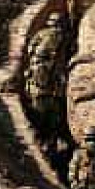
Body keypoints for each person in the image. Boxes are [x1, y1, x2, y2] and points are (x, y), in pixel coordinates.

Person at [24, 12, 69, 156]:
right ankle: (49, 147)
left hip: (38, 90)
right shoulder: (62, 38)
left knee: (39, 120)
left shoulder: (39, 35)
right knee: (52, 122)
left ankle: (43, 147)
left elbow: (29, 50)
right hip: (52, 92)